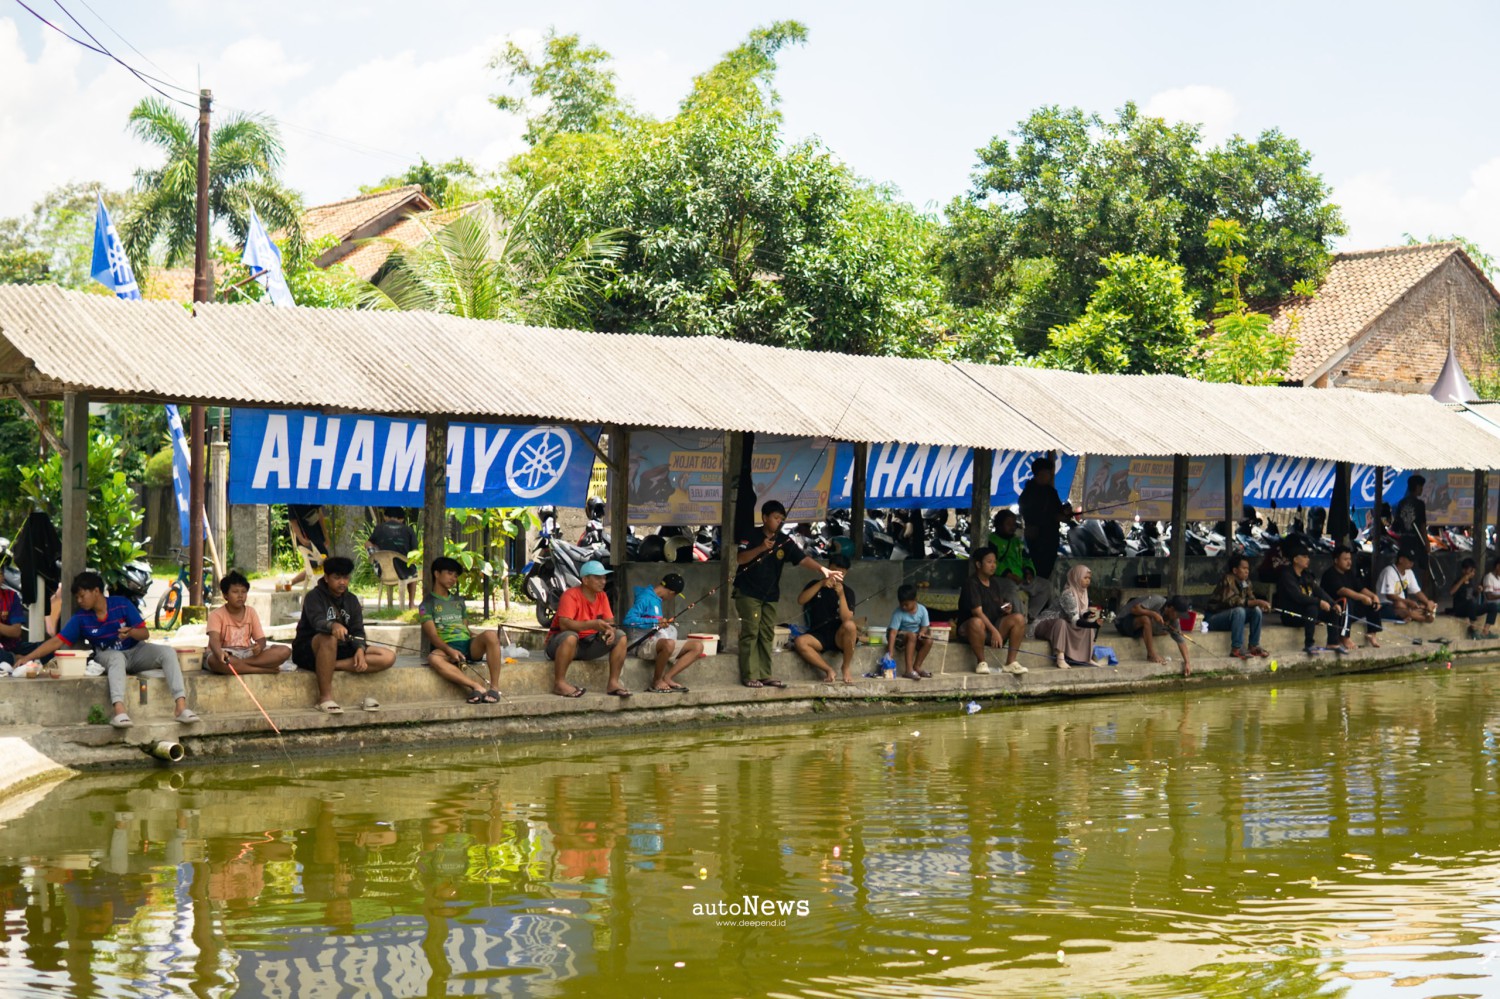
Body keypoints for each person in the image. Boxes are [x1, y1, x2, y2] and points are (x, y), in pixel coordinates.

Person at [17, 571, 200, 729]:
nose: (79, 601)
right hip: (106, 655)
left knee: (167, 653)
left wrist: (131, 632)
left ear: (96, 591)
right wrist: (28, 657)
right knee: (116, 659)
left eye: (82, 596)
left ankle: (181, 706)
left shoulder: (121, 604)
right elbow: (57, 641)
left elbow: (144, 634)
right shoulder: (81, 617)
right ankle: (119, 711)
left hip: (136, 650)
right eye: (77, 598)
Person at [733, 500, 842, 689]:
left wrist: (822, 570)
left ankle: (765, 674)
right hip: (748, 592)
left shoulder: (784, 540)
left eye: (781, 519)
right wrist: (761, 548)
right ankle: (749, 675)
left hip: (771, 594)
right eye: (775, 518)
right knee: (751, 632)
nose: (778, 522)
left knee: (767, 634)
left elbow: (803, 559)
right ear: (765, 517)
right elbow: (740, 558)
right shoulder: (750, 535)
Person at [292, 556, 396, 713]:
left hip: (342, 649)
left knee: (387, 656)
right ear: (326, 578)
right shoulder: (313, 597)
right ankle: (324, 698)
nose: (342, 582)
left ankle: (329, 665)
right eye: (337, 577)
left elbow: (358, 630)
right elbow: (317, 621)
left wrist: (360, 649)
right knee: (329, 638)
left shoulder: (352, 600)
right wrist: (332, 625)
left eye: (346, 577)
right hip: (310, 649)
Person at [420, 555, 505, 703]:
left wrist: (481, 640)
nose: (453, 578)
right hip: (446, 648)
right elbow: (433, 636)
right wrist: (449, 650)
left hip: (468, 645)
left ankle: (495, 688)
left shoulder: (459, 601)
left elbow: (466, 628)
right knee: (433, 658)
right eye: (449, 573)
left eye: (456, 575)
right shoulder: (426, 605)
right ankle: (476, 687)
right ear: (437, 573)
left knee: (491, 635)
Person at [547, 560, 629, 698]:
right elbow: (564, 625)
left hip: (588, 644)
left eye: (604, 577)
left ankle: (613, 683)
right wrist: (592, 624)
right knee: (571, 636)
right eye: (597, 577)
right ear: (585, 580)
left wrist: (610, 630)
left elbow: (610, 621)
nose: (603, 581)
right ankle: (559, 683)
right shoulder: (570, 595)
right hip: (561, 645)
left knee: (621, 636)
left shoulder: (601, 595)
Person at [622, 571, 704, 693]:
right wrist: (654, 622)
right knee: (669, 644)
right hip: (643, 644)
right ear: (671, 593)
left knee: (697, 647)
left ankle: (668, 677)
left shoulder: (657, 599)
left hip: (658, 643)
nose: (672, 598)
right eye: (675, 596)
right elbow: (628, 620)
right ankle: (656, 681)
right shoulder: (645, 598)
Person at [957, 547, 1028, 675]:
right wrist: (994, 631)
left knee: (1019, 618)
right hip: (972, 630)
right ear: (978, 564)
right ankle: (981, 662)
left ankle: (1011, 663)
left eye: (995, 562)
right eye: (989, 562)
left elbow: (996, 607)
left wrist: (1005, 608)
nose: (993, 565)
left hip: (991, 628)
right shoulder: (971, 583)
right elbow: (977, 612)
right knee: (977, 622)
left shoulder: (994, 583)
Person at [206, 571, 291, 674]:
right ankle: (262, 670)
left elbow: (261, 639)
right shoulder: (216, 615)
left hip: (247, 653)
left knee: (285, 651)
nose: (240, 595)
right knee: (213, 661)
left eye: (244, 591)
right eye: (235, 592)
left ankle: (240, 666)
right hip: (226, 654)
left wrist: (259, 647)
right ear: (225, 595)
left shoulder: (251, 612)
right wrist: (219, 653)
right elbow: (213, 640)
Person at [793, 552, 859, 683]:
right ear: (828, 568)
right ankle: (828, 669)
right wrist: (821, 584)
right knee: (800, 642)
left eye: (841, 573)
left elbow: (847, 618)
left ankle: (845, 667)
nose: (837, 575)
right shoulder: (815, 584)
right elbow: (801, 600)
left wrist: (841, 595)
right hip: (818, 635)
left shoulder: (848, 592)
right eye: (834, 571)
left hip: (838, 636)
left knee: (850, 626)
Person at [1275, 546, 1348, 654]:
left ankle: (1333, 642)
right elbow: (1298, 597)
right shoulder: (1287, 575)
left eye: (1308, 557)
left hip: (1306, 614)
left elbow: (1319, 591)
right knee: (1312, 608)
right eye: (1304, 556)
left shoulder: (1306, 575)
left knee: (1334, 610)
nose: (1308, 559)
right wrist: (1319, 602)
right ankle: (1309, 644)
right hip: (1291, 615)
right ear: (1295, 559)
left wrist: (1333, 603)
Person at [987, 509, 1054, 618]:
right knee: (1010, 591)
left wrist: (1029, 572)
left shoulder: (1017, 541)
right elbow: (992, 563)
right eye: (1008, 524)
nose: (1012, 527)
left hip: (1020, 578)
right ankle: (1020, 619)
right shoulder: (992, 540)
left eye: (1014, 524)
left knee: (1046, 586)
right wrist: (1009, 575)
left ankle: (1030, 615)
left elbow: (1027, 559)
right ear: (999, 525)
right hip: (1002, 578)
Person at [1035, 565, 1102, 669]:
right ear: (1076, 577)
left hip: (1069, 623)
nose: (1088, 581)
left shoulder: (1083, 593)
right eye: (1085, 578)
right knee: (1061, 623)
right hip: (1046, 624)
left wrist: (1088, 614)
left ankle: (1087, 658)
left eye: (1089, 578)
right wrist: (1094, 624)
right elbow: (1075, 620)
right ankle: (1060, 658)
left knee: (1087, 621)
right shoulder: (1068, 594)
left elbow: (1081, 613)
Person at [1206, 555, 1271, 659]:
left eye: (1248, 569)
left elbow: (1252, 600)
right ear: (1235, 570)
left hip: (1234, 619)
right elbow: (1231, 601)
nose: (1247, 571)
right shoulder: (1228, 579)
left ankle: (1254, 646)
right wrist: (1257, 601)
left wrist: (1260, 604)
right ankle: (1236, 649)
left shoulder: (1246, 582)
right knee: (1239, 611)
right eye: (1244, 568)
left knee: (1256, 610)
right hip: (1215, 619)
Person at [1321, 545, 1384, 649]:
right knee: (1347, 601)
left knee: (1372, 603)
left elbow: (1361, 588)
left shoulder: (1349, 573)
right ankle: (1344, 637)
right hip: (1334, 611)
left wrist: (1373, 596)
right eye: (1345, 559)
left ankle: (1372, 633)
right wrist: (1362, 598)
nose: (1349, 562)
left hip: (1349, 612)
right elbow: (1343, 590)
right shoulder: (1330, 574)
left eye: (1350, 559)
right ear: (1336, 560)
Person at [1118, 594, 1194, 675]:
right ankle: (1151, 654)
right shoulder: (1158, 601)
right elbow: (1134, 609)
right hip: (1124, 623)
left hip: (1138, 631)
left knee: (1164, 631)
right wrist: (1153, 614)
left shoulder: (1174, 621)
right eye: (1178, 614)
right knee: (1146, 619)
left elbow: (1181, 641)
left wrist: (1187, 663)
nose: (1178, 618)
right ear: (1171, 609)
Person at [1018, 457, 1065, 583]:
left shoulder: (1051, 492)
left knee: (1047, 570)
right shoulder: (1029, 492)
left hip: (1051, 538)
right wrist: (1052, 517)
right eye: (1046, 473)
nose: (1049, 476)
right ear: (1038, 474)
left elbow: (1059, 510)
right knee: (1037, 569)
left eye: (1050, 473)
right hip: (1037, 539)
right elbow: (1028, 513)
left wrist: (1064, 513)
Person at [367, 508, 419, 609]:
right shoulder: (408, 530)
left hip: (384, 571)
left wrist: (374, 553)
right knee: (413, 571)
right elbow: (414, 552)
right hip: (404, 571)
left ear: (385, 517)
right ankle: (411, 603)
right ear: (402, 519)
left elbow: (368, 543)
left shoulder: (379, 528)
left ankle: (390, 603)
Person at [885, 583, 934, 681]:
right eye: (901, 604)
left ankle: (917, 667)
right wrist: (890, 652)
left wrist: (922, 632)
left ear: (915, 600)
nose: (904, 607)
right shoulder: (898, 612)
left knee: (929, 640)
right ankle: (908, 670)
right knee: (912, 636)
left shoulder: (922, 610)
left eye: (906, 604)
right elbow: (893, 633)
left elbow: (925, 626)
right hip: (900, 637)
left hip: (914, 636)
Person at [1376, 549, 1437, 623]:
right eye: (1410, 560)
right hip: (1385, 605)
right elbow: (1389, 595)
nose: (1412, 563)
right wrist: (1408, 602)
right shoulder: (1389, 571)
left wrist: (1428, 602)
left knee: (1423, 606)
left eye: (1413, 560)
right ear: (1401, 560)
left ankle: (1412, 615)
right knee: (1400, 604)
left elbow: (1417, 591)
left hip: (1403, 605)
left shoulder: (1409, 572)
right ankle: (1419, 617)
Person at [1448, 557, 1500, 639]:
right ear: (1464, 570)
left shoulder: (1471, 582)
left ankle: (1485, 631)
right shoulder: (1458, 580)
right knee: (1471, 603)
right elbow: (1451, 592)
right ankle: (1474, 629)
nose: (1472, 573)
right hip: (1460, 609)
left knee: (1493, 606)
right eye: (1470, 571)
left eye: (1474, 571)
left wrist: (1478, 591)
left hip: (1471, 608)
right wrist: (1462, 580)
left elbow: (1471, 596)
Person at [1393, 476, 1431, 588]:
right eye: (1421, 487)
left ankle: (1404, 591)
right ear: (1417, 487)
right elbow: (1422, 525)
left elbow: (1396, 526)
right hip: (1417, 541)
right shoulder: (1419, 504)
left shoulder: (1401, 503)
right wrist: (1427, 542)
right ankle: (1423, 593)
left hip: (1405, 541)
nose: (1422, 490)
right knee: (1424, 568)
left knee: (1404, 567)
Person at [0, 582, 45, 666]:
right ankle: (16, 659)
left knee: (46, 647)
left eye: (1, 573)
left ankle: (21, 660)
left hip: (13, 647)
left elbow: (16, 631)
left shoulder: (11, 596)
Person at [287, 504, 329, 586]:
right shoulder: (292, 500)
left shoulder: (312, 493)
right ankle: (291, 582)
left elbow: (320, 515)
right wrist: (301, 538)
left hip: (318, 536)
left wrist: (325, 535)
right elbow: (293, 521)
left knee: (317, 566)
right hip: (306, 539)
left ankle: (291, 582)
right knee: (317, 566)